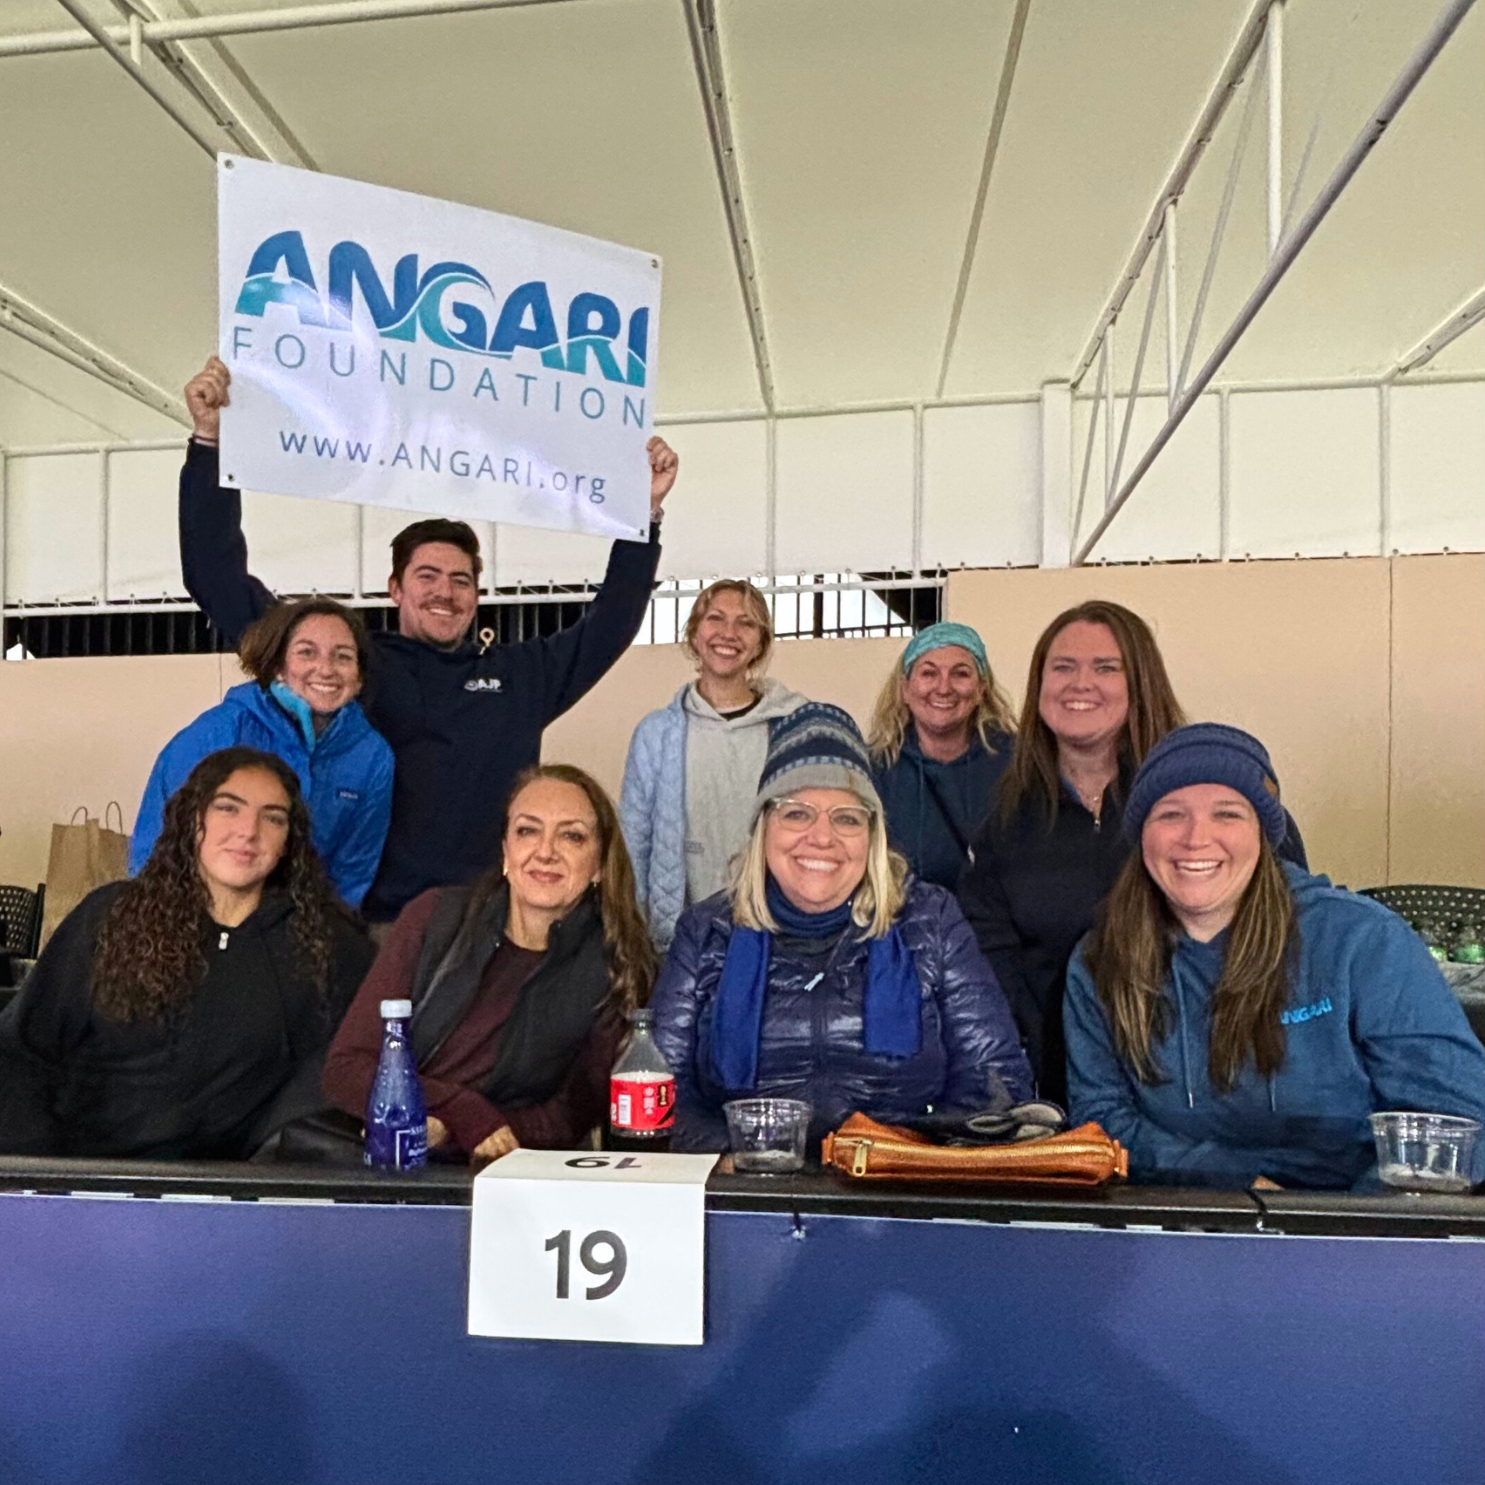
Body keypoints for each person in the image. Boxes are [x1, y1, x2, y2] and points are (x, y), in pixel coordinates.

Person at [177, 355, 679, 923]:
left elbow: (610, 624)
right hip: (369, 928)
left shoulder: (522, 678)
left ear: (478, 595)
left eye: (461, 580)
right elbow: (217, 581)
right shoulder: (351, 665)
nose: (445, 592)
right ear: (395, 589)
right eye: (428, 577)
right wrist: (209, 445)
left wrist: (644, 515)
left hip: (491, 925)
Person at [1064, 724, 1485, 1189]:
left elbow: (1460, 1125)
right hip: (1188, 1209)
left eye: (1227, 814)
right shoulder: (1101, 960)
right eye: (1170, 814)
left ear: (1264, 834)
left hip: (1358, 1217)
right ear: (1142, 835)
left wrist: (1337, 1221)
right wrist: (1241, 1184)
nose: (1196, 837)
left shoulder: (1363, 941)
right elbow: (1103, 1123)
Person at [957, 600, 1307, 1106]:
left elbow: (1287, 930)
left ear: (1141, 682)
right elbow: (991, 966)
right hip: (1062, 1093)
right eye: (1063, 667)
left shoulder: (1212, 803)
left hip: (1211, 1089)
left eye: (1105, 668)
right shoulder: (1005, 823)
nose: (1081, 683)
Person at [651, 703, 1032, 1151]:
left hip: (896, 1180)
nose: (821, 837)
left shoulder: (932, 921)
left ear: (872, 835)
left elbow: (996, 1084)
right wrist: (743, 1159)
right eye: (797, 813)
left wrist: (909, 1156)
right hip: (747, 1182)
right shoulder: (705, 931)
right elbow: (659, 1096)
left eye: (847, 818)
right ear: (764, 826)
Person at [0, 748, 374, 1160]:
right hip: (87, 1174)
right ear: (194, 820)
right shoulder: (110, 916)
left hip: (234, 1187)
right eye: (228, 808)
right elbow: (23, 1052)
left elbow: (363, 1064)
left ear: (289, 841)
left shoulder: (325, 946)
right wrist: (37, 1174)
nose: (248, 831)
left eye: (273, 818)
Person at [322, 765, 654, 1162]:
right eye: (528, 831)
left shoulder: (617, 964)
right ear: (505, 851)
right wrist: (459, 1109)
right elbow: (346, 1069)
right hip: (384, 1159)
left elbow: (570, 1117)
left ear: (599, 864)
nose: (546, 851)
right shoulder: (433, 918)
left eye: (572, 836)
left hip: (507, 1170)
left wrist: (461, 1132)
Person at [130, 597, 393, 910]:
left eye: (343, 657)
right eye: (307, 652)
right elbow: (163, 843)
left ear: (359, 677)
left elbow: (352, 871)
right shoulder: (221, 732)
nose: (326, 669)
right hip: (197, 912)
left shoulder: (372, 755)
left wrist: (323, 930)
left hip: (301, 922)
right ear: (277, 666)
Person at [621, 580, 806, 948]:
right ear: (694, 634)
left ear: (761, 643)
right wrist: (632, 934)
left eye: (746, 623)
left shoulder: (791, 728)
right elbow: (632, 844)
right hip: (680, 942)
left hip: (775, 935)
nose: (729, 633)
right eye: (715, 618)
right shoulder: (655, 734)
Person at [868, 621, 1017, 891]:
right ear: (905, 688)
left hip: (995, 916)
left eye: (960, 674)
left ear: (981, 689)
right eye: (929, 673)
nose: (944, 688)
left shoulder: (1017, 763)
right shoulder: (876, 769)